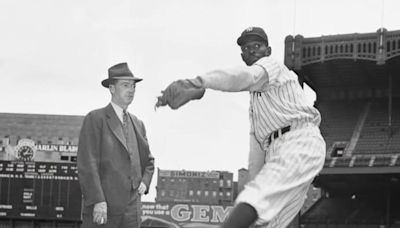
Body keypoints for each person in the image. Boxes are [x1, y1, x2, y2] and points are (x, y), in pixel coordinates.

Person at [155, 27, 326, 228]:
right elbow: (256, 154)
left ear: (268, 51)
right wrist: (252, 186)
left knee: (257, 198)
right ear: (242, 55)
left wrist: (199, 82)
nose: (251, 50)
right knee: (268, 222)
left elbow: (247, 77)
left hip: (299, 140)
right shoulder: (257, 106)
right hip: (279, 149)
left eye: (257, 46)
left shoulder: (272, 66)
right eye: (246, 48)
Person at [78, 62, 155, 228]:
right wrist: (98, 200)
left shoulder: (138, 124)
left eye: (133, 86)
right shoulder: (95, 119)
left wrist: (144, 182)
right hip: (104, 207)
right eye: (125, 85)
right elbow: (87, 165)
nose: (131, 90)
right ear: (112, 88)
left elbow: (149, 161)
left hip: (132, 211)